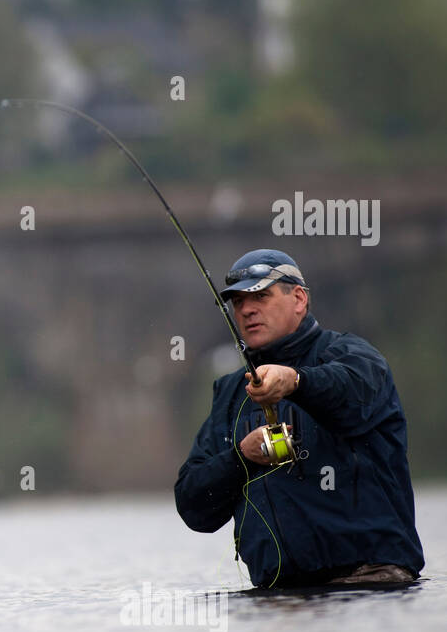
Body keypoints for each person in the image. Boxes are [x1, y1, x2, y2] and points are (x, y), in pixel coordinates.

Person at [174, 249, 424, 587]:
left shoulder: (357, 358)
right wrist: (242, 458)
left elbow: (349, 396)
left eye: (260, 295)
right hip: (277, 598)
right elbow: (193, 506)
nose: (246, 309)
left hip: (372, 584)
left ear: (299, 299)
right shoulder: (231, 395)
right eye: (237, 302)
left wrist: (294, 381)